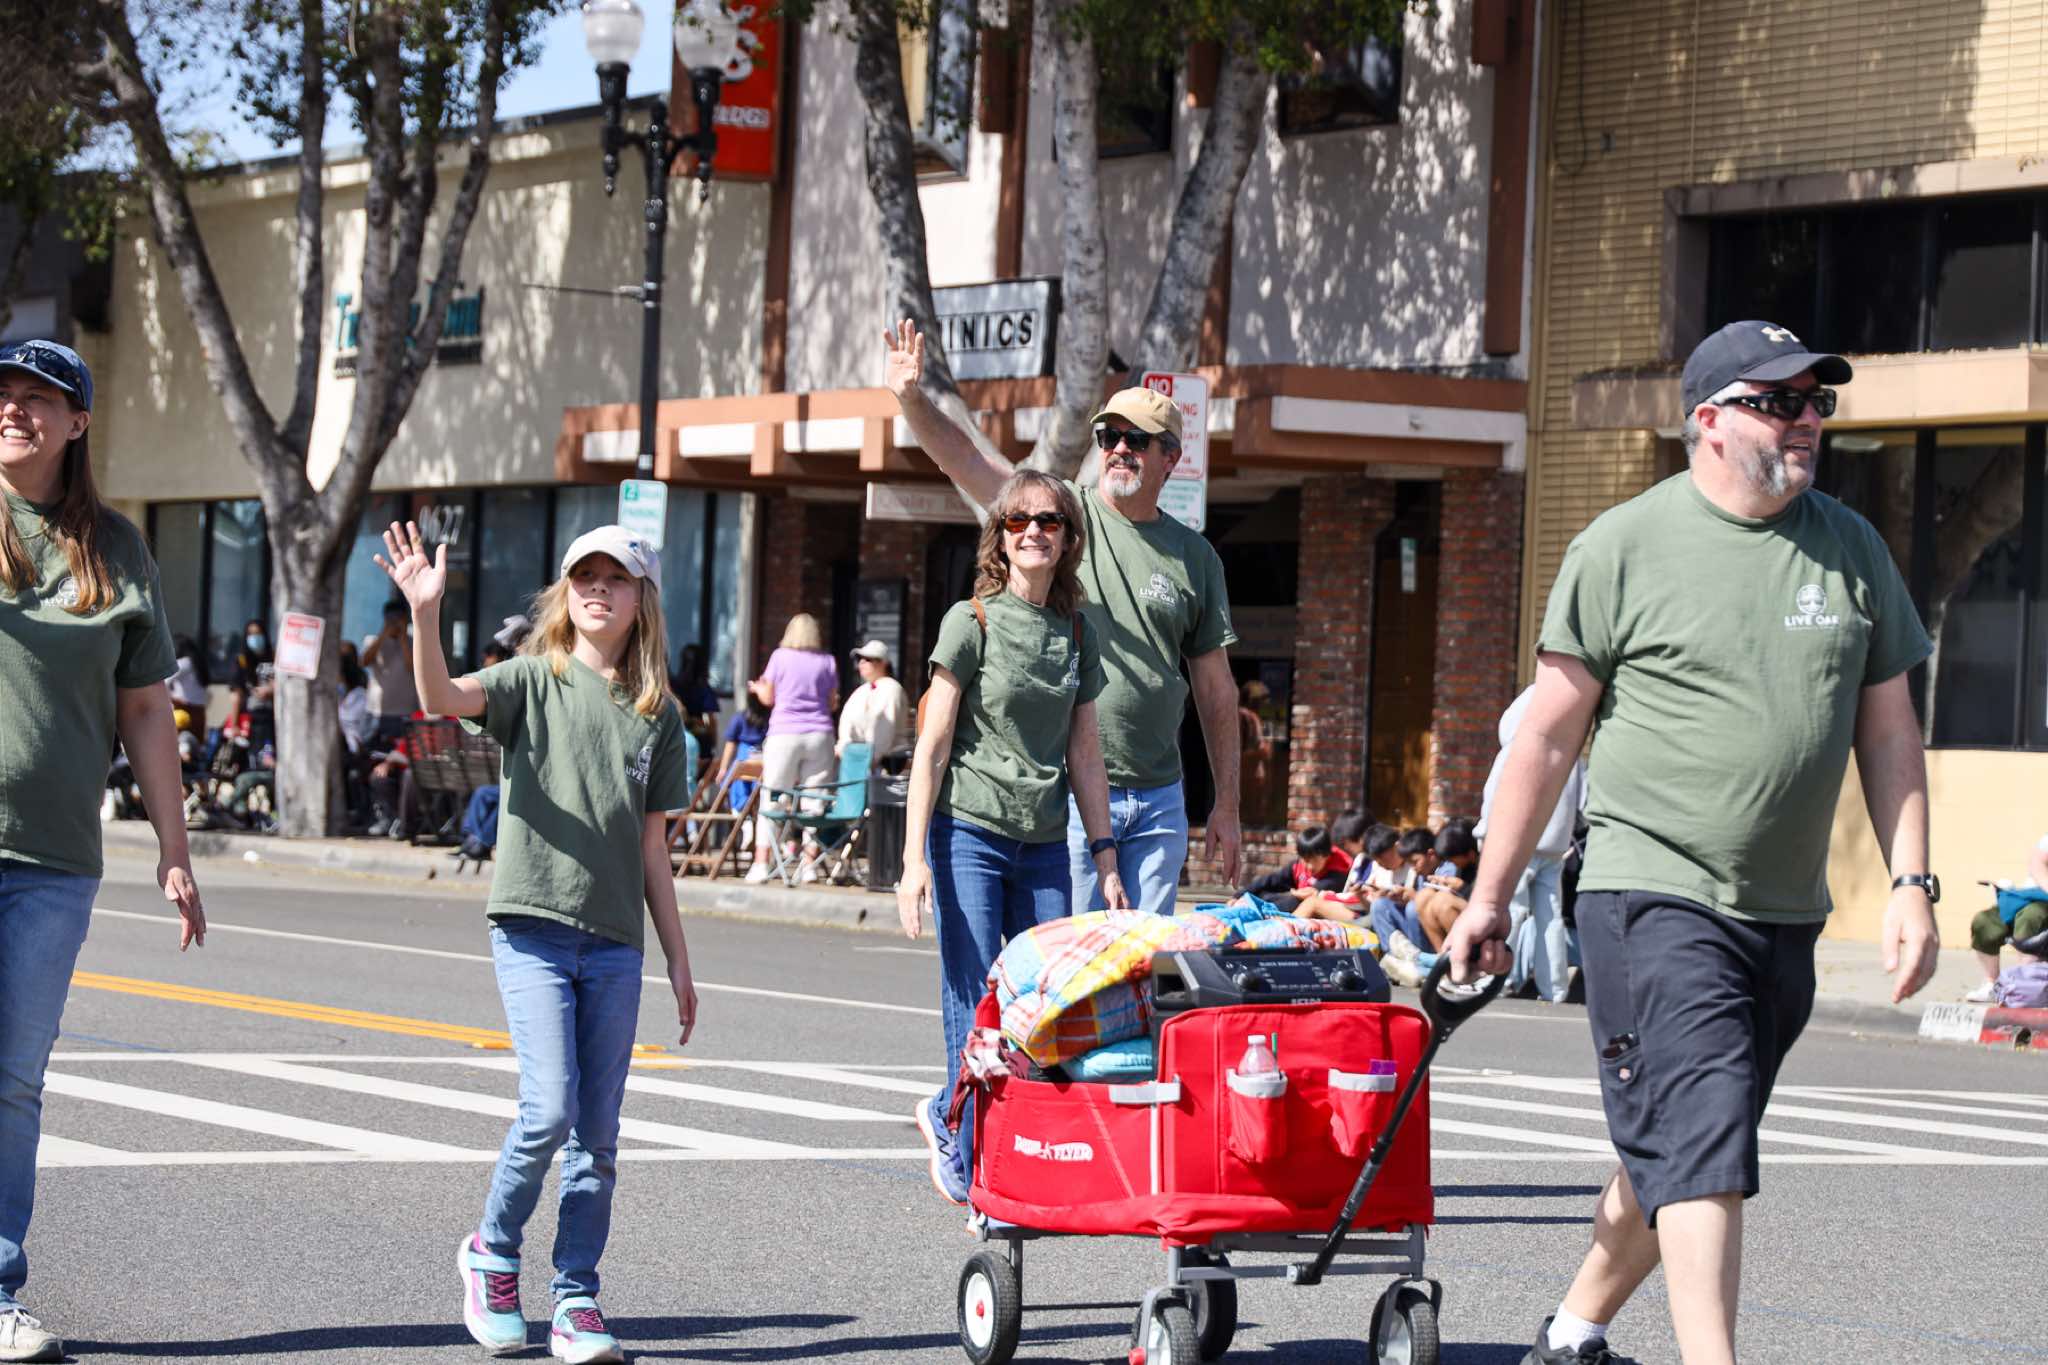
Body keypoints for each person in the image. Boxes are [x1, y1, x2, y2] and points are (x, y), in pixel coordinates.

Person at [1441, 320, 1940, 1365]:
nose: (1805, 421)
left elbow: (1889, 729)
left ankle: (1569, 1333)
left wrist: (1909, 883)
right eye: (1778, 401)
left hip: (1784, 910)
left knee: (1681, 1140)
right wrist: (1488, 896)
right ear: (1709, 419)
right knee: (1702, 1136)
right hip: (1650, 895)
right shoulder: (1622, 546)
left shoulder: (1850, 548)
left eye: (1816, 402)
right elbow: (1545, 736)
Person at [376, 520, 699, 1364]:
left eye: (615, 578)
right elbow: (441, 696)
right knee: (549, 1108)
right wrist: (425, 614)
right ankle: (492, 1249)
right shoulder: (533, 678)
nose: (598, 589)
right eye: (584, 575)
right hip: (532, 926)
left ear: (641, 599)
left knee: (599, 1137)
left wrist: (678, 958)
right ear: (565, 591)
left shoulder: (658, 716)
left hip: (616, 942)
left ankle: (576, 1298)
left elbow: (653, 850)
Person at [883, 321, 1241, 913]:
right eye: (1109, 436)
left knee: (1144, 959)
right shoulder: (1064, 517)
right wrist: (911, 398)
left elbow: (1216, 690)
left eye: (1136, 439)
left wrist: (1226, 803)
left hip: (1160, 798)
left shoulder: (1195, 557)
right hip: (1074, 794)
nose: (1118, 448)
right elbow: (968, 461)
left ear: (1170, 458)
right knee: (1070, 956)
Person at [0, 339, 205, 1362]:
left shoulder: (115, 550)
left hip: (54, 860)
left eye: (39, 398)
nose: (15, 409)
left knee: (13, 1081)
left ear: (77, 422)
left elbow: (146, 710)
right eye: (3, 393)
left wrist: (174, 847)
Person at [896, 471, 1125, 1205]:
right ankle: (973, 1158)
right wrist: (912, 860)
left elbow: (1085, 752)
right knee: (975, 998)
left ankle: (963, 1116)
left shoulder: (1078, 632)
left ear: (1067, 538)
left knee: (1042, 1000)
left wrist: (1105, 854)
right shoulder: (972, 621)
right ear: (1000, 536)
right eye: (1019, 520)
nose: (1033, 532)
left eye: (1048, 521)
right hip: (968, 829)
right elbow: (933, 745)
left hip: (1044, 840)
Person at [1480, 686, 1588, 1004]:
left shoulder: (1516, 751)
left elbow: (1494, 800)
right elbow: (1584, 803)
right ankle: (1554, 987)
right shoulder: (1572, 757)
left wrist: (1485, 834)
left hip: (1516, 842)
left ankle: (1497, 980)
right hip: (1556, 845)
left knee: (1510, 909)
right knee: (1549, 917)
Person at [744, 612, 838, 883]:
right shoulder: (827, 661)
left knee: (773, 796)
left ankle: (762, 863)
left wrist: (757, 689)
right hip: (820, 733)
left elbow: (768, 698)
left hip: (784, 732)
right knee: (815, 799)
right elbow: (832, 703)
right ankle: (809, 865)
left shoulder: (780, 657)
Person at [1965, 833, 2048, 1002]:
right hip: (2028, 896)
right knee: (1985, 921)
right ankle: (1992, 983)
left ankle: (2025, 986)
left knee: (2031, 918)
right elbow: (2037, 863)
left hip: (2038, 908)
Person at [1240, 823, 1353, 908]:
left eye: (1314, 860)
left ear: (1327, 855)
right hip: (1292, 898)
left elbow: (1302, 898)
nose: (1309, 866)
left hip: (1314, 908)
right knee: (1262, 893)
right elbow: (1272, 880)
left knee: (1294, 900)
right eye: (1305, 860)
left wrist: (1261, 904)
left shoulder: (1338, 873)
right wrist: (1240, 895)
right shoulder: (1297, 866)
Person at [361, 596, 418, 751]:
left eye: (398, 619)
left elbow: (413, 669)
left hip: (404, 711)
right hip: (375, 710)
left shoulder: (414, 642)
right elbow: (364, 662)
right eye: (390, 619)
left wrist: (403, 639)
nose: (394, 623)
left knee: (400, 756)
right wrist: (383, 635)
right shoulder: (372, 640)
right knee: (369, 753)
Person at [837, 639, 908, 760]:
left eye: (868, 659)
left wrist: (871, 760)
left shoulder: (891, 688)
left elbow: (885, 730)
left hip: (883, 761)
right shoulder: (861, 691)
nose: (862, 662)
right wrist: (842, 749)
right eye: (860, 659)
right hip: (854, 758)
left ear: (883, 663)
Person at [715, 691, 770, 817]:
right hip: (761, 756)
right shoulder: (769, 718)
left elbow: (730, 744)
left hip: (743, 758)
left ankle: (740, 808)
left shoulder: (740, 717)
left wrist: (723, 768)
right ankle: (752, 810)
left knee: (738, 781)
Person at [227, 615, 276, 751]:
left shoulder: (274, 657)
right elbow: (236, 695)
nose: (255, 638)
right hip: (251, 718)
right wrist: (234, 725)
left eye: (258, 633)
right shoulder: (242, 660)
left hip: (273, 718)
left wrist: (271, 689)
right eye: (251, 634)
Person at [669, 641, 720, 771]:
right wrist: (713, 741)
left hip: (676, 735)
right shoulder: (704, 689)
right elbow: (710, 720)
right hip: (699, 739)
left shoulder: (673, 686)